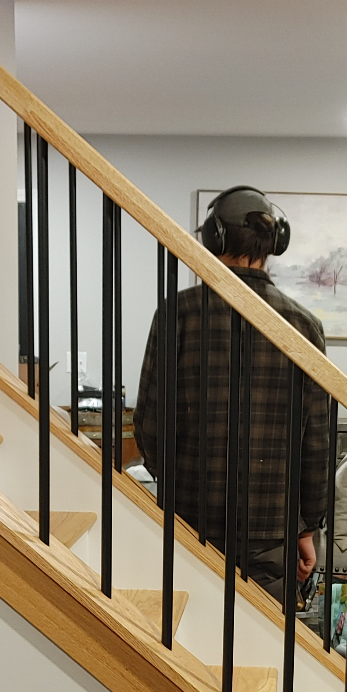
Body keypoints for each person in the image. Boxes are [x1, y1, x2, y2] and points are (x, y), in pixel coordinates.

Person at [135, 185, 329, 604]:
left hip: (189, 521)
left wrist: (174, 487)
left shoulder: (177, 314)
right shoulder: (304, 326)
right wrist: (307, 527)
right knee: (262, 651)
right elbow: (315, 445)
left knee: (185, 640)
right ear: (275, 243)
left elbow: (149, 425)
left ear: (214, 239)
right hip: (271, 533)